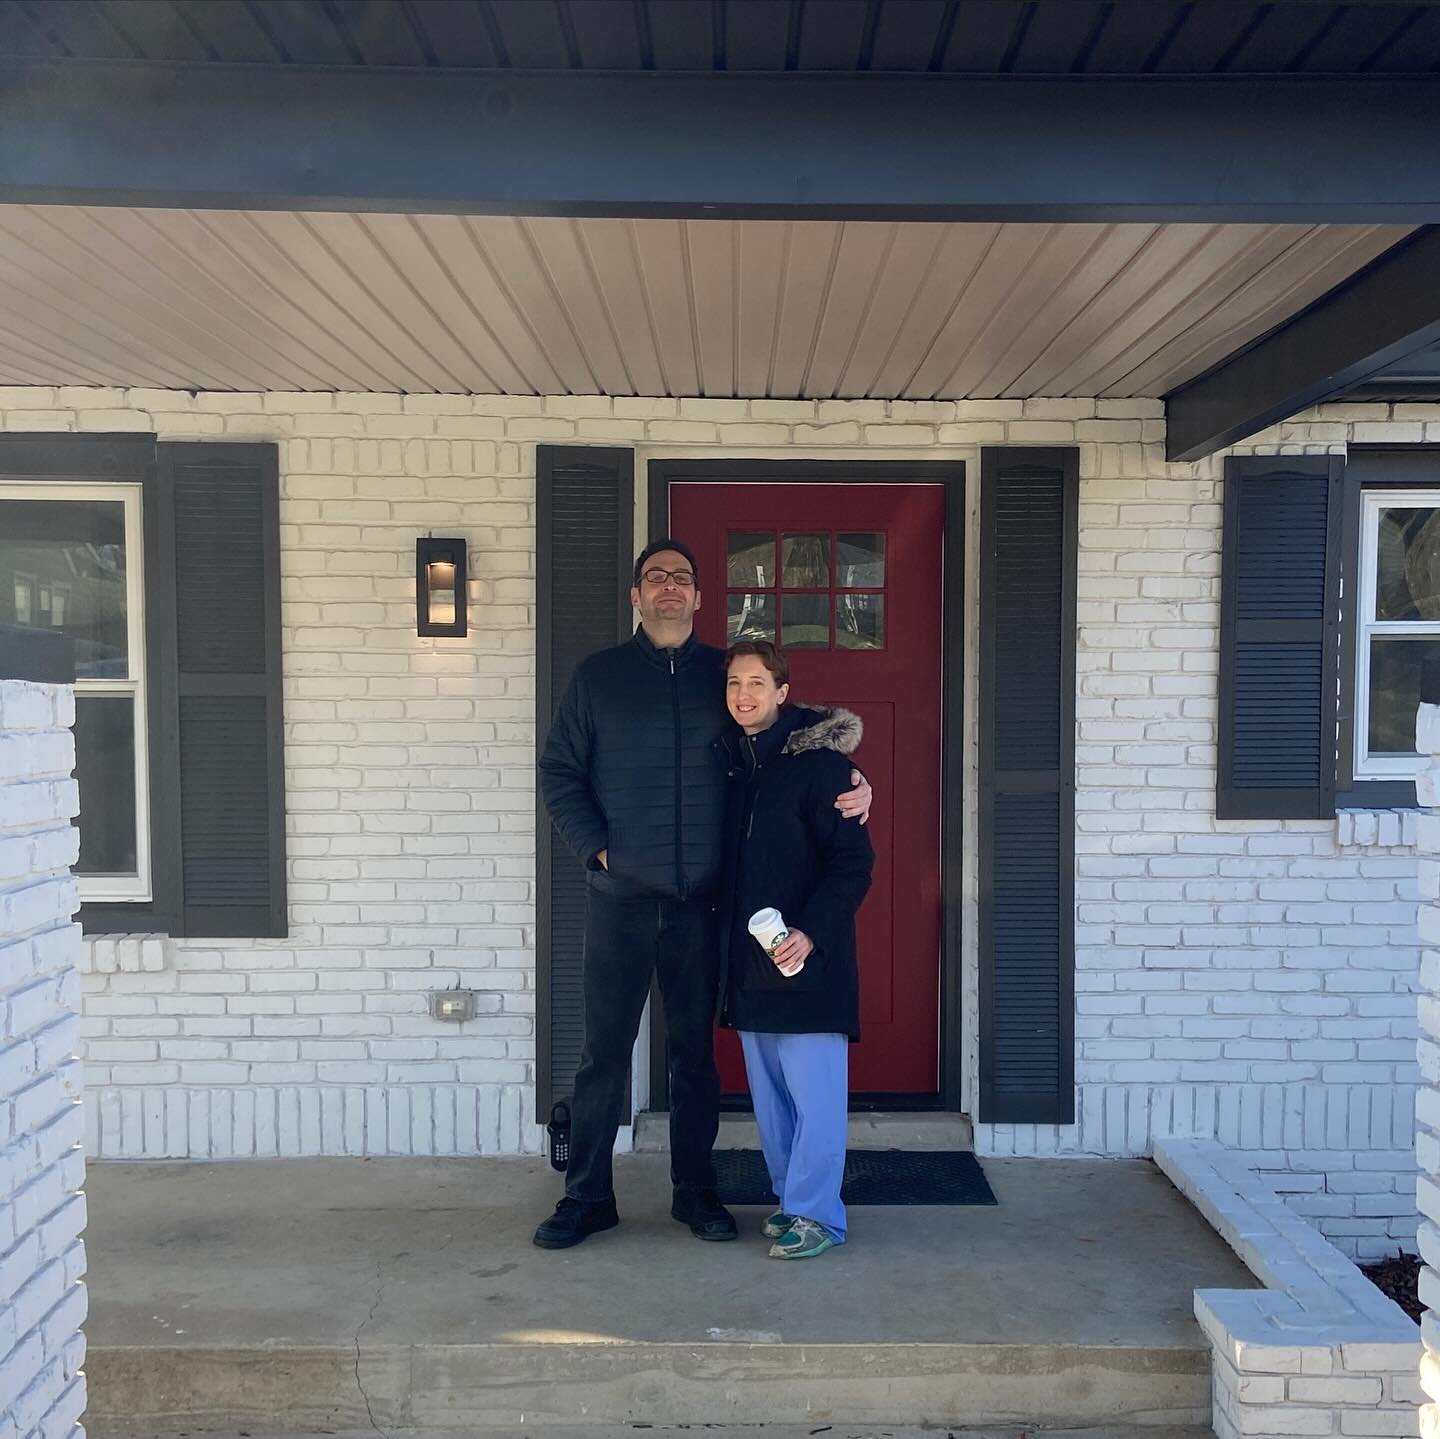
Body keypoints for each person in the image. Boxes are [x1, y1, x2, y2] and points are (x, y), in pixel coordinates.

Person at [533, 539, 872, 1249]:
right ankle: (587, 1194)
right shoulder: (598, 678)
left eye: (681, 578)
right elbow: (560, 769)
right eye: (654, 577)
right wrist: (598, 847)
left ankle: (694, 1190)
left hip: (703, 905)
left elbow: (794, 725)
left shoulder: (723, 675)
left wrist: (854, 774)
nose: (668, 588)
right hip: (621, 894)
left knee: (694, 1055)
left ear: (697, 596)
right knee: (604, 1051)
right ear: (636, 595)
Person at [718, 640, 873, 1260]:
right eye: (733, 683)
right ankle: (791, 1204)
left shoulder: (824, 768)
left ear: (783, 693)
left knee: (816, 1100)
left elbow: (852, 864)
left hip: (809, 959)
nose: (744, 695)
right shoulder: (730, 762)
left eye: (757, 683)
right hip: (750, 964)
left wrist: (811, 930)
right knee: (774, 1103)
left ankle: (819, 1216)